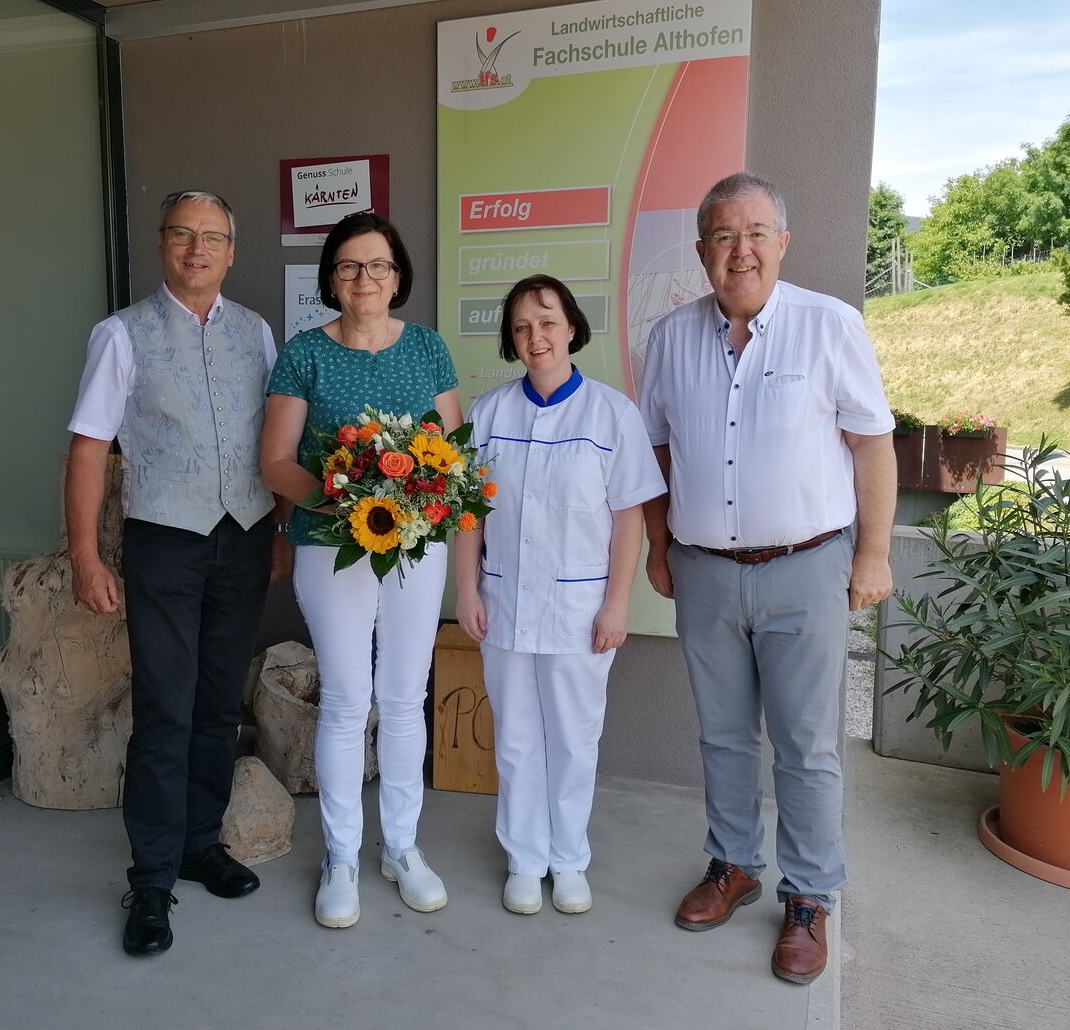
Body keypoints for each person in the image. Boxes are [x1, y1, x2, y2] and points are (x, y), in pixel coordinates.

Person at [638, 172, 896, 985]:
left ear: (782, 241)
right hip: (706, 571)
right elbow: (657, 453)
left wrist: (874, 554)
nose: (739, 250)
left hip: (806, 570)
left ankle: (811, 896)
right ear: (702, 251)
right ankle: (733, 866)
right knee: (720, 734)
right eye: (722, 236)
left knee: (807, 746)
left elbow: (873, 445)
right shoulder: (670, 337)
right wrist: (657, 548)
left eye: (754, 233)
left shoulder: (831, 326)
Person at [66, 190, 290, 957]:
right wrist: (86, 556)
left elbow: (276, 441)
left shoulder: (257, 332)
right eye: (183, 235)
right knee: (165, 706)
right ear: (163, 246)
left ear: (232, 251)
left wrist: (282, 529)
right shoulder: (122, 335)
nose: (198, 250)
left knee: (219, 702)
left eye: (214, 238)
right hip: (166, 539)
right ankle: (153, 878)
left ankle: (201, 842)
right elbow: (90, 448)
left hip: (247, 536)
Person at [260, 212, 463, 929]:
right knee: (348, 700)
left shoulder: (429, 348)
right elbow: (276, 461)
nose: (364, 278)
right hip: (330, 541)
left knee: (405, 698)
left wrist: (408, 502)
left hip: (415, 543)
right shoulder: (304, 354)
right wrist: (347, 500)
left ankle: (402, 848)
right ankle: (342, 856)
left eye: (377, 265)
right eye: (348, 266)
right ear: (331, 281)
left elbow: (451, 454)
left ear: (398, 275)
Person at [454, 275, 665, 916]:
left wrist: (618, 603)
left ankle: (569, 858)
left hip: (580, 611)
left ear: (571, 327)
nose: (535, 337)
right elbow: (470, 514)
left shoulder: (611, 413)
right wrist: (466, 591)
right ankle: (524, 858)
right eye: (521, 327)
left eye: (546, 322)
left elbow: (629, 516)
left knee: (574, 739)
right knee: (516, 738)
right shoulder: (489, 413)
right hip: (506, 604)